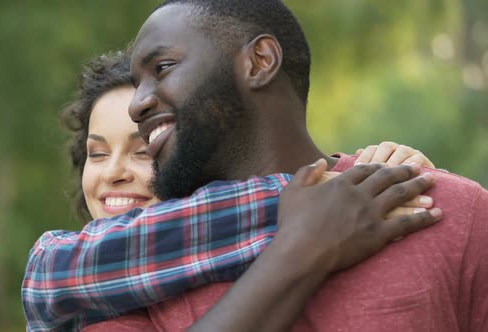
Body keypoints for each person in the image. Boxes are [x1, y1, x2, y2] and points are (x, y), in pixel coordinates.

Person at [124, 0, 486, 331]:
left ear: (260, 61)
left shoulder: (454, 212)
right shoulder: (132, 269)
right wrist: (302, 246)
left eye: (163, 67)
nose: (135, 106)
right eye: (136, 84)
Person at [22, 51, 439, 331]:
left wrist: (377, 175)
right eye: (97, 153)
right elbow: (47, 274)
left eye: (143, 150)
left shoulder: (224, 252)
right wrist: (329, 189)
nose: (113, 172)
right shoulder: (61, 267)